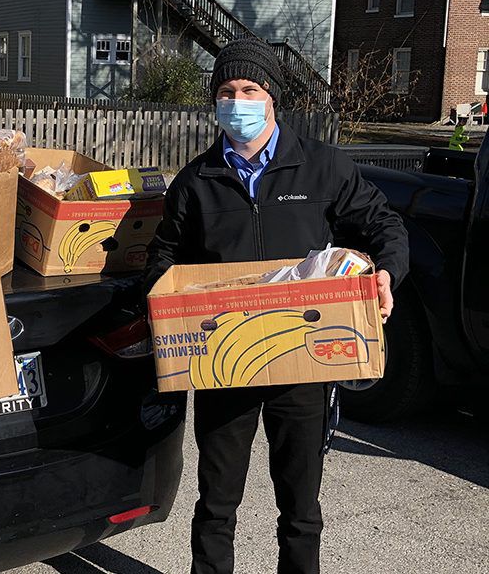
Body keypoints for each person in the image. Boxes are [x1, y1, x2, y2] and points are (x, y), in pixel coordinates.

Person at [145, 37, 409, 574]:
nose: (236, 100)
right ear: (215, 101)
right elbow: (164, 256)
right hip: (226, 361)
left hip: (302, 361)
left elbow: (385, 225)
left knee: (300, 504)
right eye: (225, 91)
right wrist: (166, 300)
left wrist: (386, 274)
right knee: (217, 503)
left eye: (248, 89)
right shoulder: (197, 181)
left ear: (272, 98)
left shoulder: (323, 167)